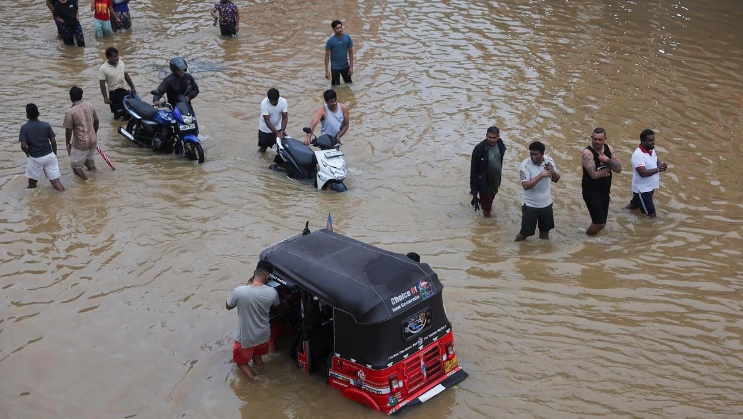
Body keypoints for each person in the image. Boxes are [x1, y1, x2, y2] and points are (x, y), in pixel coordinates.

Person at [226, 261, 281, 380]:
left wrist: (247, 286)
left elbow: (228, 305)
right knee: (257, 358)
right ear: (267, 276)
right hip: (263, 335)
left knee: (240, 362)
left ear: (254, 272)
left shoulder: (240, 291)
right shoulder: (272, 292)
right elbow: (276, 305)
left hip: (246, 337)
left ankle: (256, 381)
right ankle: (263, 373)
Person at [581, 127, 622, 235]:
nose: (597, 142)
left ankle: (591, 237)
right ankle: (586, 239)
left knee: (599, 220)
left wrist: (607, 160)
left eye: (600, 139)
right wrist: (610, 165)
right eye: (595, 139)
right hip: (591, 192)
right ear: (591, 138)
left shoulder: (609, 148)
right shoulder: (587, 153)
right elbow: (594, 175)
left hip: (605, 191)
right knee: (600, 223)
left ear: (605, 139)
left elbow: (619, 169)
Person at [515, 142, 560, 241]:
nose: (533, 156)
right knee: (524, 233)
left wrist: (553, 171)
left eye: (536, 154)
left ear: (543, 153)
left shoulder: (549, 161)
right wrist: (541, 175)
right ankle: (515, 251)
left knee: (545, 233)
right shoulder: (525, 165)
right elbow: (525, 186)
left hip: (547, 204)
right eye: (531, 154)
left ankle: (545, 253)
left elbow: (556, 179)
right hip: (530, 205)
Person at [19, 104, 65, 192]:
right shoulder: (46, 125)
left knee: (32, 183)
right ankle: (64, 196)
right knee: (55, 181)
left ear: (27, 115)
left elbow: (23, 146)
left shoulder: (24, 128)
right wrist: (54, 153)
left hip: (35, 158)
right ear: (38, 113)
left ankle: (31, 203)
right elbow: (54, 142)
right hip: (49, 156)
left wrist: (28, 153)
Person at [625, 129, 668, 218]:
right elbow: (643, 173)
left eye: (653, 140)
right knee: (651, 215)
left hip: (649, 187)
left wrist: (662, 166)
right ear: (643, 141)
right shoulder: (638, 155)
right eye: (650, 141)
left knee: (634, 206)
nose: (653, 143)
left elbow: (656, 162)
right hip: (643, 190)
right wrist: (657, 169)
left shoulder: (651, 150)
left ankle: (620, 213)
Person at [63, 86, 99, 180]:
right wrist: (94, 134)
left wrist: (67, 143)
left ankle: (87, 183)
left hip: (80, 144)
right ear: (81, 96)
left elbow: (68, 130)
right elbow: (97, 121)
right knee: (90, 164)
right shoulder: (90, 106)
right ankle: (96, 180)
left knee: (76, 167)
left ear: (71, 98)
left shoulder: (70, 112)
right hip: (93, 140)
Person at [469, 126, 506, 218]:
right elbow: (474, 170)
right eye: (489, 137)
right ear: (486, 136)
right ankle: (487, 222)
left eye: (494, 138)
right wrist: (474, 190)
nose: (492, 140)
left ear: (498, 137)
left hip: (496, 181)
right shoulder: (479, 149)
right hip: (485, 182)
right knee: (487, 209)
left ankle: (485, 205)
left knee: (489, 199)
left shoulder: (500, 144)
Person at [99, 46, 137, 120]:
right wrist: (105, 98)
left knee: (129, 112)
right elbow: (102, 84)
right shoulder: (103, 68)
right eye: (115, 56)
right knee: (117, 115)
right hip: (114, 93)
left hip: (124, 90)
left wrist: (132, 87)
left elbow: (126, 76)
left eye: (117, 55)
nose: (117, 57)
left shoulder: (121, 63)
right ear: (109, 57)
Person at [258, 88, 288, 153]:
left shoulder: (283, 102)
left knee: (281, 147)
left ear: (278, 98)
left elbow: (284, 118)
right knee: (263, 148)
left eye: (274, 101)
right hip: (265, 129)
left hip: (278, 127)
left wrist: (282, 131)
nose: (272, 103)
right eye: (271, 101)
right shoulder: (264, 103)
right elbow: (267, 121)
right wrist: (277, 133)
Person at [325, 20, 354, 86]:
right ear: (333, 29)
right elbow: (327, 56)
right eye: (337, 28)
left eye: (340, 27)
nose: (340, 29)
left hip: (345, 66)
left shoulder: (347, 38)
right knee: (335, 87)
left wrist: (351, 67)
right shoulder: (330, 41)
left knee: (350, 84)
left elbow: (351, 52)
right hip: (335, 67)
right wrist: (327, 71)